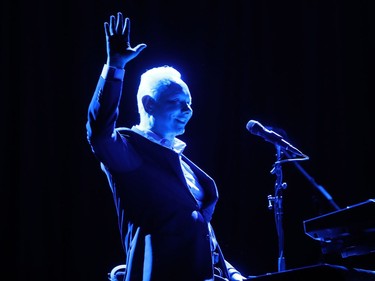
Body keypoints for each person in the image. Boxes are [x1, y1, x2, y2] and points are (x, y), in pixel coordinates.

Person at [86, 11, 248, 281]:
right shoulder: (131, 152)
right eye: (177, 102)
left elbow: (198, 229)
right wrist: (115, 67)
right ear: (149, 104)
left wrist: (231, 272)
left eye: (190, 103)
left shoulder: (182, 163)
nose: (188, 110)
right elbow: (100, 134)